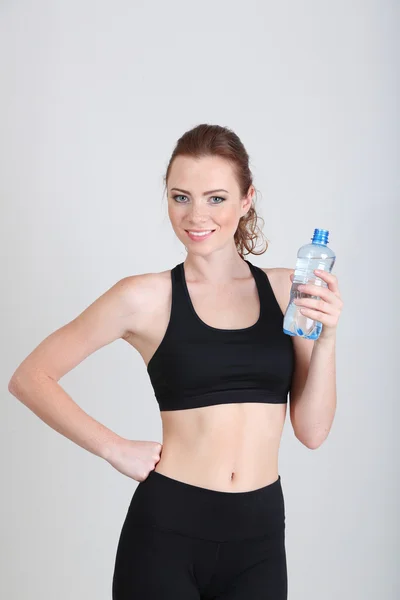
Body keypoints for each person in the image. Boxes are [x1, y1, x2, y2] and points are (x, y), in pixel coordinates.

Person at [8, 123, 343, 599]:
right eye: (180, 197)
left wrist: (327, 338)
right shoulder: (142, 298)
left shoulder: (288, 289)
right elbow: (30, 378)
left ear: (247, 200)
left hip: (261, 536)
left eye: (216, 198)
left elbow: (312, 432)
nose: (196, 215)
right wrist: (113, 447)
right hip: (167, 532)